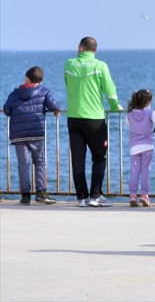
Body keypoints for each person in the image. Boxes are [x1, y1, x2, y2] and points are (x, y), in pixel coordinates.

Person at [64, 36, 122, 207]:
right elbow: (110, 91)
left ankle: (82, 197)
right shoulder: (100, 66)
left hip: (74, 118)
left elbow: (67, 85)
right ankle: (95, 196)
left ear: (80, 48)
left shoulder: (69, 64)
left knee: (78, 159)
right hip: (94, 119)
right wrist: (115, 106)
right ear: (94, 50)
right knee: (99, 157)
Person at [4, 66, 62, 205]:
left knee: (23, 165)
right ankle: (41, 193)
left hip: (19, 135)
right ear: (40, 81)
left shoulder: (15, 93)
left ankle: (25, 196)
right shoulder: (44, 92)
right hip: (36, 133)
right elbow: (55, 106)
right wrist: (55, 111)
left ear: (26, 78)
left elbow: (6, 110)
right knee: (39, 162)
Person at [126, 89, 155, 207]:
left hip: (134, 146)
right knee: (145, 171)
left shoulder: (130, 113)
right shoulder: (151, 112)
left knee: (134, 171)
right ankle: (144, 196)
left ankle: (132, 196)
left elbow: (129, 125)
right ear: (149, 101)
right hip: (147, 145)